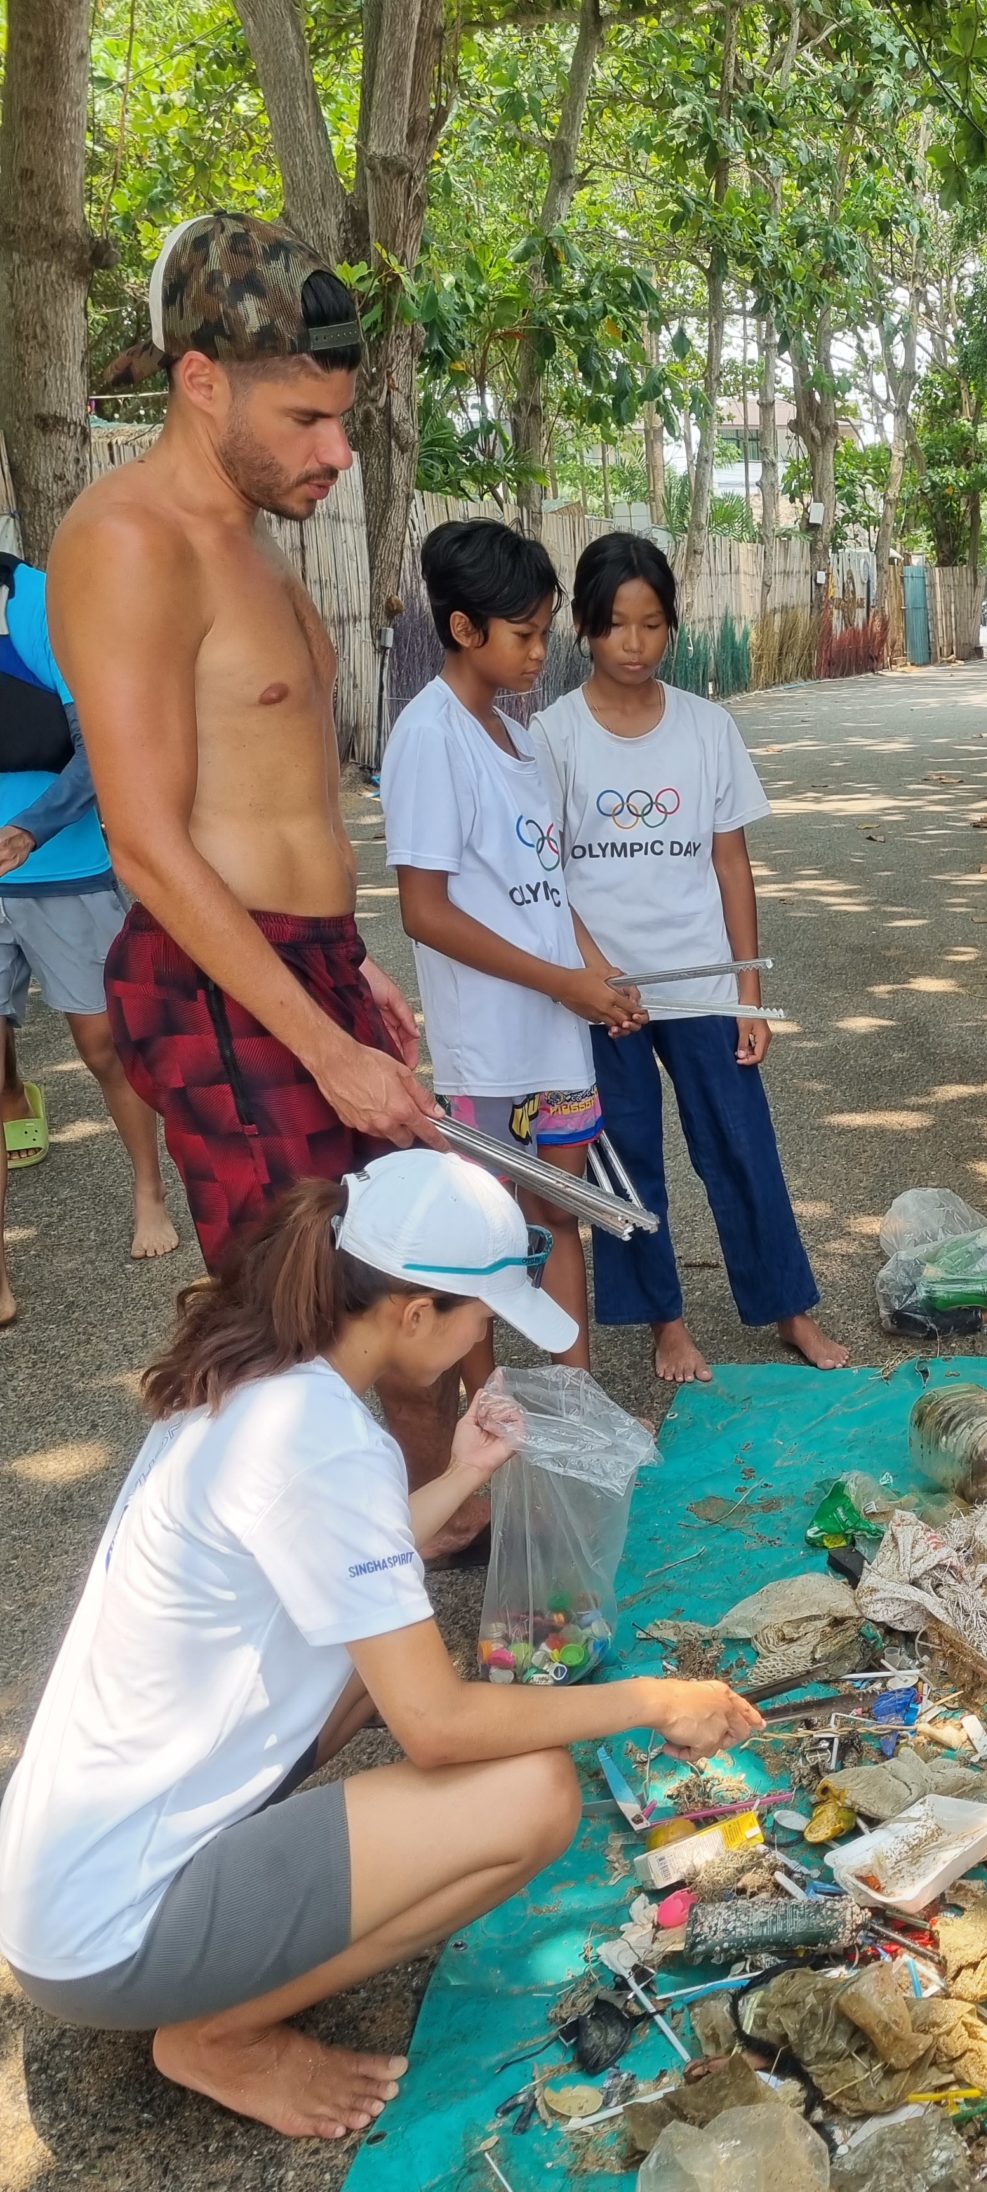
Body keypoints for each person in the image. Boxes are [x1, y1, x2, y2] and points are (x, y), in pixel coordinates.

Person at [0, 1151, 762, 2141]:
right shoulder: (323, 1441)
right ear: (410, 1312)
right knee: (534, 1790)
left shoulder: (265, 1376)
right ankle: (220, 2034)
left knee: (391, 1668)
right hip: (110, 1934)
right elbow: (438, 1727)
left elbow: (310, 1552)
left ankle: (235, 1949)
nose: (478, 1343)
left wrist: (451, 1483)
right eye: (477, 1322)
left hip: (58, 1878)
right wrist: (657, 1700)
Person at [42, 213, 471, 1536]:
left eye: (341, 422)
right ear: (202, 382)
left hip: (302, 965)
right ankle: (252, 1621)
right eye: (307, 420)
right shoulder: (129, 543)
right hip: (219, 982)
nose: (337, 453)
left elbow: (275, 789)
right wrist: (319, 1043)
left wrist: (356, 983)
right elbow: (149, 844)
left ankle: (398, 1550)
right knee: (292, 1325)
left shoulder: (257, 525)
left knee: (385, 1280)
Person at [531, 532, 846, 1384]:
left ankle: (790, 1309)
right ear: (585, 631)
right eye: (614, 626)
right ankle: (666, 1323)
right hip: (608, 995)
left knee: (742, 1145)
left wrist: (747, 990)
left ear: (672, 625)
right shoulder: (552, 738)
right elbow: (547, 876)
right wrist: (592, 977)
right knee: (627, 1155)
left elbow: (730, 862)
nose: (634, 645)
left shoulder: (709, 728)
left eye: (652, 624)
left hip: (703, 983)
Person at [384, 518, 643, 1385]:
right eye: (525, 634)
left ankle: (577, 1407)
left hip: (554, 1035)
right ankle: (493, 1416)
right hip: (487, 1050)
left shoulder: (519, 737)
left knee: (558, 1215)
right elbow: (424, 912)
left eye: (543, 631)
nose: (542, 653)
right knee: (486, 1235)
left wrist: (599, 975)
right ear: (464, 630)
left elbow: (550, 886)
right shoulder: (429, 737)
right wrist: (564, 981)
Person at [0, 552, 179, 1325]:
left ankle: (148, 1187)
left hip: (61, 869)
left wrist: (28, 830)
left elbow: (100, 743)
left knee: (106, 1046)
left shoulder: (39, 601)